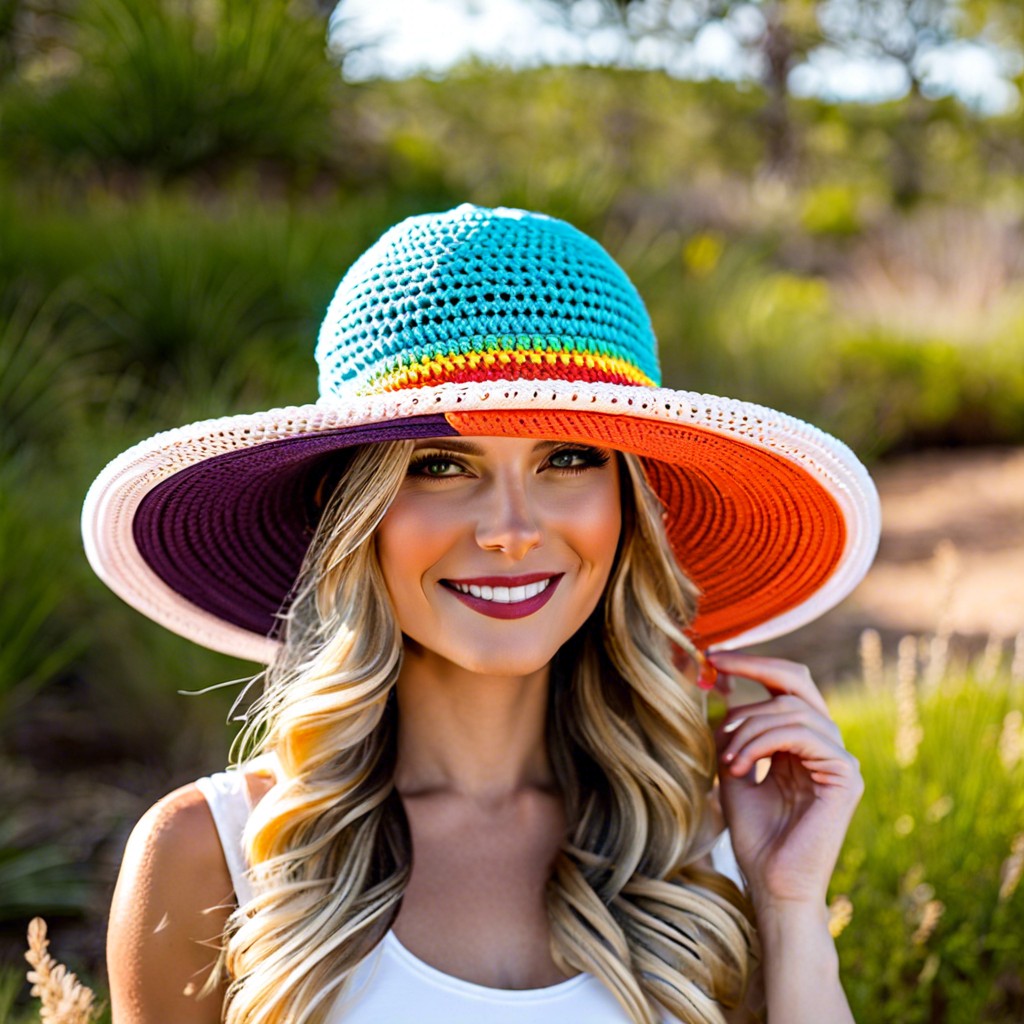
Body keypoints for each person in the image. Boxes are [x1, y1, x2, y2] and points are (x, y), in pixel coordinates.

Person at [83, 204, 880, 1023]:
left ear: (628, 509)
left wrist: (789, 910)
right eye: (440, 465)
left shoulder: (706, 855)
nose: (511, 530)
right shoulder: (212, 854)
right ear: (351, 513)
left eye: (567, 458)